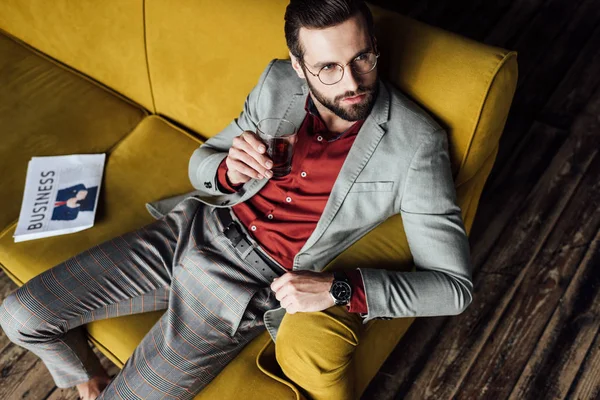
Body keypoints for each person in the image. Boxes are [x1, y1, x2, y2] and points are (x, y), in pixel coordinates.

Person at [0, 1, 473, 399]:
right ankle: (88, 378)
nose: (351, 83)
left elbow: (454, 288)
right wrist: (227, 170)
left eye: (362, 58)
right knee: (19, 315)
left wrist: (340, 288)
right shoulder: (276, 85)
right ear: (298, 65)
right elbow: (202, 162)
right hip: (191, 229)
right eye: (327, 67)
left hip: (242, 288)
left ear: (374, 47)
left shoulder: (416, 143)